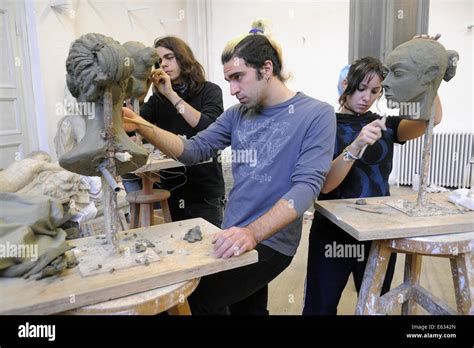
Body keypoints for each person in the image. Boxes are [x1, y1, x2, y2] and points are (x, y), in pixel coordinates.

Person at [122, 20, 336, 314]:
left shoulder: (316, 114)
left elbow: (306, 189)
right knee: (246, 309)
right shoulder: (237, 115)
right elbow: (193, 150)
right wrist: (140, 125)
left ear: (267, 68)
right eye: (229, 81)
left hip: (272, 241)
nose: (233, 90)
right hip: (231, 230)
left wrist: (252, 234)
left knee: (191, 300)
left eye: (239, 77)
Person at [303, 51, 443, 315]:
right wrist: (356, 145)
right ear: (346, 85)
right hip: (334, 233)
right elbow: (326, 187)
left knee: (374, 307)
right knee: (320, 307)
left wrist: (432, 68)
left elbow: (432, 119)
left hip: (377, 234)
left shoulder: (385, 125)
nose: (366, 97)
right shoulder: (325, 124)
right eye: (361, 88)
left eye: (375, 91)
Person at [125, 36, 226, 228]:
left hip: (204, 190)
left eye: (169, 57)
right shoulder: (157, 101)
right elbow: (131, 126)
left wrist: (172, 95)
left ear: (183, 58)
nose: (163, 64)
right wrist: (140, 96)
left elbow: (209, 128)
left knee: (208, 249)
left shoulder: (209, 91)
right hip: (172, 189)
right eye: (159, 61)